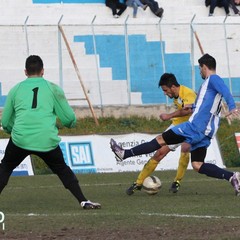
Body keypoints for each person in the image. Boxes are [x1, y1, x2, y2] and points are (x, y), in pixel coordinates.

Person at [110, 53, 240, 196]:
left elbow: (225, 90)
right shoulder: (209, 86)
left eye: (200, 69)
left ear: (204, 67)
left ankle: (125, 154)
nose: (200, 71)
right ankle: (232, 177)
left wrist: (232, 106)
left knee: (160, 140)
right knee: (197, 165)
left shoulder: (212, 79)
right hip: (207, 131)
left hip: (195, 127)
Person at [0, 55, 101, 210]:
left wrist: (13, 129)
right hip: (46, 139)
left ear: (25, 72)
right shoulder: (53, 88)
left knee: (5, 167)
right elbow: (68, 118)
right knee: (62, 168)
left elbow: (5, 122)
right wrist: (69, 124)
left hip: (21, 138)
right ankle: (83, 201)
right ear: (43, 71)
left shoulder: (15, 89)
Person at [125, 73, 197, 195]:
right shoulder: (176, 95)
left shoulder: (188, 93)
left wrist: (168, 116)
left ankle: (177, 182)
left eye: (165, 90)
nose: (165, 93)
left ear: (173, 87)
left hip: (191, 127)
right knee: (159, 153)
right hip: (176, 126)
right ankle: (138, 182)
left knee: (185, 149)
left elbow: (188, 110)